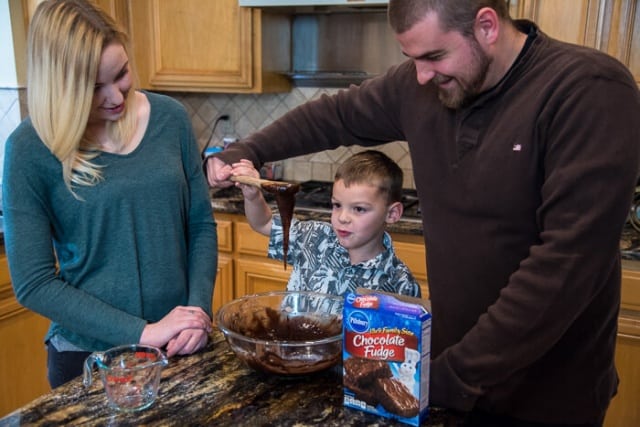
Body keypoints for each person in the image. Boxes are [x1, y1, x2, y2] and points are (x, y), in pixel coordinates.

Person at [206, 0, 640, 425]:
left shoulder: (588, 90)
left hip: (548, 393)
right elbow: (333, 116)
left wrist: (451, 377)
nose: (422, 74)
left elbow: (565, 266)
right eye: (411, 58)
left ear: (487, 26)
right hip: (452, 376)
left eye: (434, 55)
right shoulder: (421, 85)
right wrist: (251, 149)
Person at [2, 0, 217, 388]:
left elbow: (199, 224)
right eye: (93, 88)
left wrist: (196, 313)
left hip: (179, 348)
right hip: (89, 359)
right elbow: (33, 283)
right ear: (61, 87)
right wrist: (142, 331)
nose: (116, 97)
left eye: (121, 75)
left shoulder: (171, 119)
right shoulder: (29, 149)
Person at [232, 150, 421, 297]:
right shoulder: (314, 238)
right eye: (337, 205)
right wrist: (253, 196)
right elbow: (263, 223)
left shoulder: (400, 284)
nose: (342, 217)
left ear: (392, 213)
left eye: (359, 209)